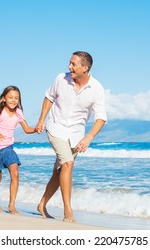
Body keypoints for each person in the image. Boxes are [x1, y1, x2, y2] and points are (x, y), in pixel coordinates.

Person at [35, 51, 107, 222]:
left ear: (85, 68)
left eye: (73, 64)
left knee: (59, 171)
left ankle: (42, 204)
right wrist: (41, 120)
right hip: (56, 127)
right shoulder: (61, 78)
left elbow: (101, 118)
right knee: (68, 163)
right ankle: (68, 211)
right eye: (70, 63)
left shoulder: (96, 88)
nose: (69, 67)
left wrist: (88, 137)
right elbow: (48, 97)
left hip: (76, 135)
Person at [0, 86, 37, 214]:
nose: (13, 100)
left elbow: (27, 129)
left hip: (8, 148)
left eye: (16, 98)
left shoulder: (19, 113)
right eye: (11, 97)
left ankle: (11, 205)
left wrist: (36, 129)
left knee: (15, 173)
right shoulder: (0, 112)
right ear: (4, 99)